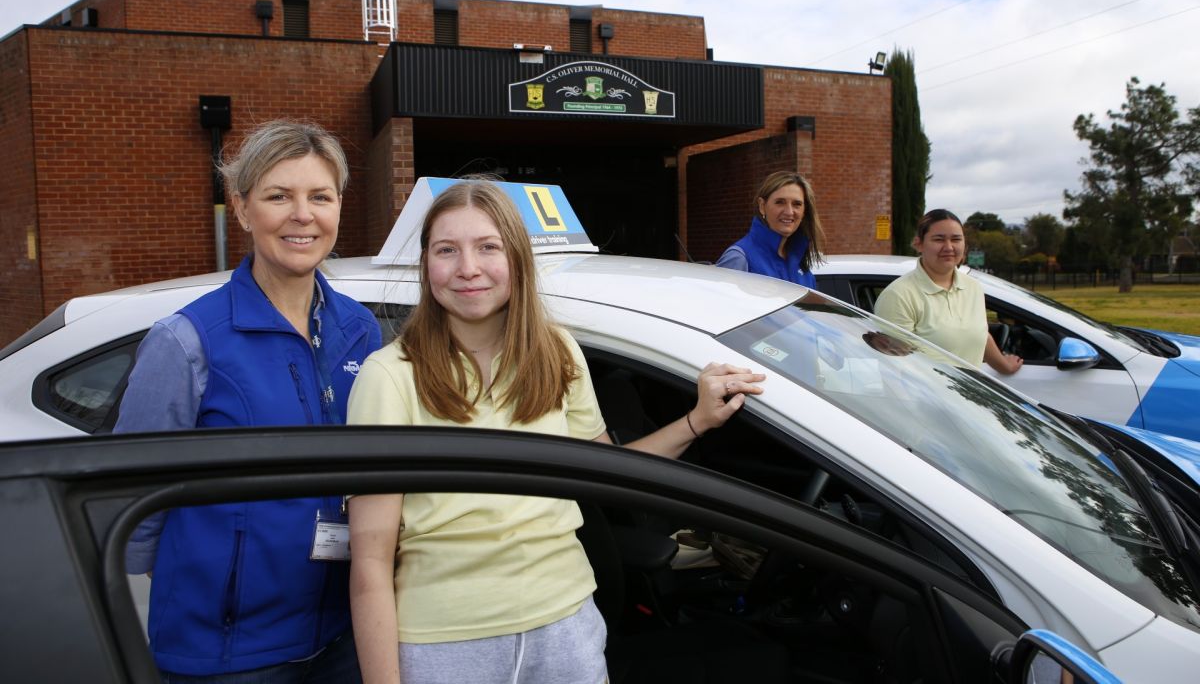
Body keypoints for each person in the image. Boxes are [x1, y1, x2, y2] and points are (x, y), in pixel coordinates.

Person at [346, 180, 765, 684]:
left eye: (487, 247)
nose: (468, 268)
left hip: (566, 624)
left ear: (517, 259)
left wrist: (696, 419)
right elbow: (369, 561)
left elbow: (612, 476)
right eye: (446, 250)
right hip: (445, 643)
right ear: (426, 264)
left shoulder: (558, 353)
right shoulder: (389, 375)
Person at [114, 120, 383, 681]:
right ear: (241, 210)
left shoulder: (360, 329)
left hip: (344, 633)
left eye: (320, 197)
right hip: (227, 652)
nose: (302, 215)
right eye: (278, 196)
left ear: (339, 207)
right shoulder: (187, 341)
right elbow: (135, 502)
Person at [873, 209, 1022, 374]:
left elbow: (979, 334)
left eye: (956, 239)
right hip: (923, 399)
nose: (949, 247)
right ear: (919, 244)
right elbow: (894, 368)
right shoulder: (899, 296)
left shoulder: (973, 288)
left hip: (968, 397)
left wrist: (1005, 366)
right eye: (939, 239)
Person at [716, 171, 825, 288]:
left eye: (796, 204)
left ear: (804, 211)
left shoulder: (801, 264)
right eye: (780, 202)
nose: (789, 212)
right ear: (762, 206)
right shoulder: (739, 258)